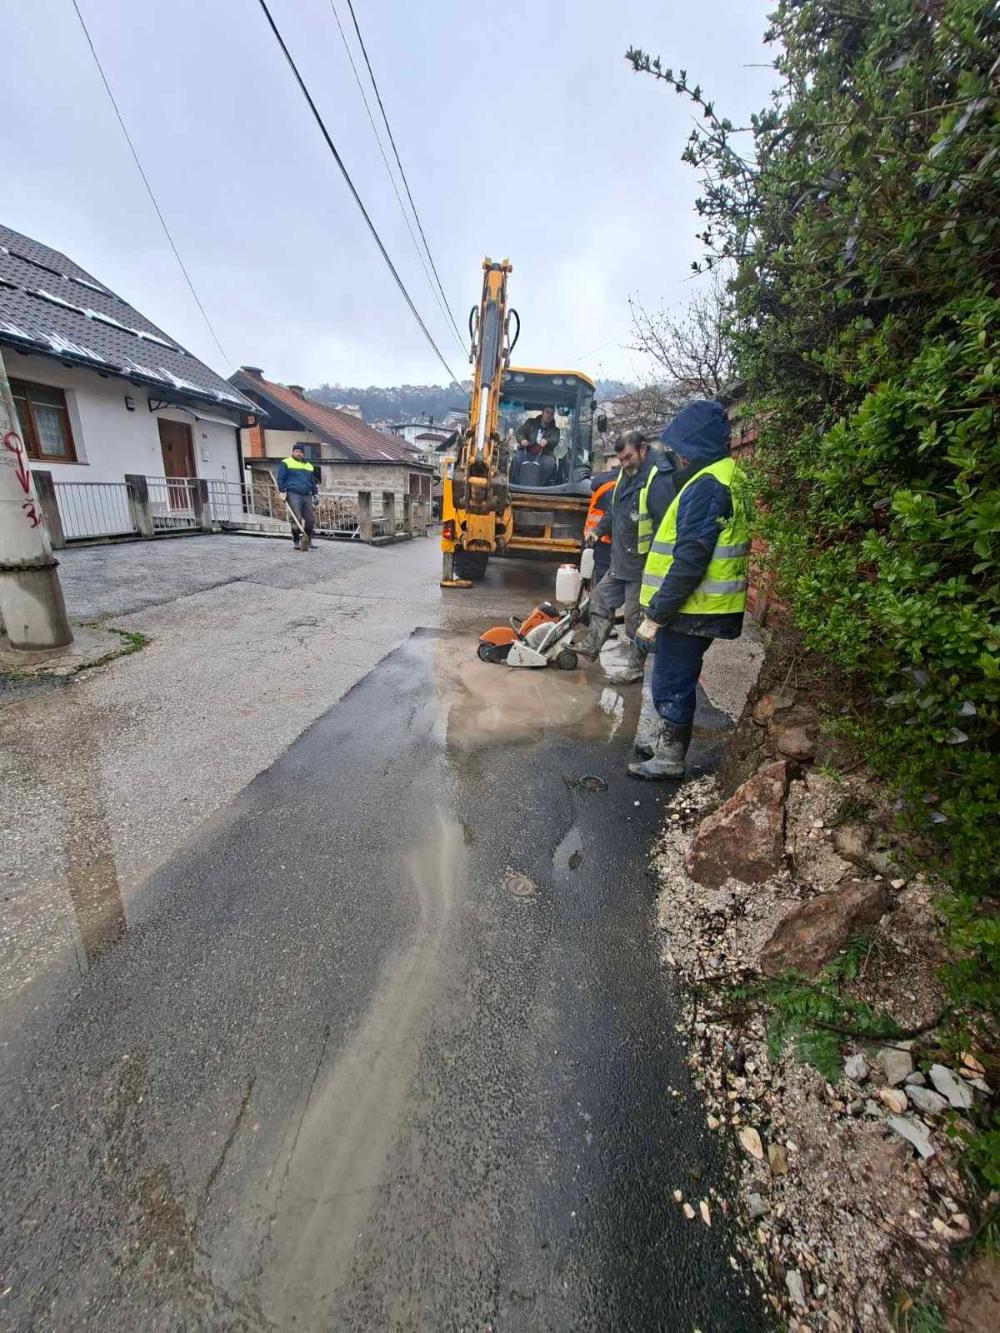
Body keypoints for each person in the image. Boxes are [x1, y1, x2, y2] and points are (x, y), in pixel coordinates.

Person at [627, 400, 750, 780]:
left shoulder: (707, 484)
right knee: (676, 674)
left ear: (694, 447)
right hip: (705, 605)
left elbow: (690, 560)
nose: (676, 458)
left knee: (672, 679)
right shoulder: (729, 476)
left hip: (693, 607)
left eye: (680, 450)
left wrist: (657, 613)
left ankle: (669, 757)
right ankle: (664, 743)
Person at [574, 430, 675, 683]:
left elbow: (666, 526)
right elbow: (614, 509)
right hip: (620, 559)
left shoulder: (658, 479)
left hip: (642, 566)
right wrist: (598, 531)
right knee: (599, 597)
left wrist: (657, 566)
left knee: (634, 622)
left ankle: (635, 668)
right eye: (620, 459)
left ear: (642, 449)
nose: (624, 463)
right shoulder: (626, 474)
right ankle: (592, 645)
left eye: (628, 457)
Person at [276, 444, 319, 551]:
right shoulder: (286, 463)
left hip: (307, 494)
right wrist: (282, 491)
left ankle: (308, 539)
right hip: (293, 493)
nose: (299, 453)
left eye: (300, 452)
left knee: (310, 519)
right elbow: (280, 478)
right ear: (293, 452)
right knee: (296, 518)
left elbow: (312, 482)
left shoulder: (308, 465)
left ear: (303, 453)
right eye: (296, 451)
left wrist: (315, 494)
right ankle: (296, 540)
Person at [583, 461, 619, 587]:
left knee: (594, 574)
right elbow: (611, 517)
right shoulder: (614, 487)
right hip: (603, 538)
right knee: (603, 578)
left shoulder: (604, 482)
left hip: (593, 535)